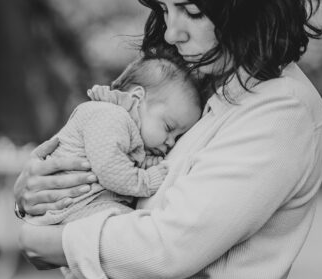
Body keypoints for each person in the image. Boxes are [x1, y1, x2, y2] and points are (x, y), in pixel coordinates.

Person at [15, 0, 322, 279]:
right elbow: (118, 167)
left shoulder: (281, 110)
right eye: (164, 10)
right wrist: (43, 189)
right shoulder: (191, 85)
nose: (171, 31)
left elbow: (169, 247)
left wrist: (52, 244)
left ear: (244, 1)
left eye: (191, 11)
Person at [24, 56, 202, 226]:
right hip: (70, 206)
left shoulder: (128, 131)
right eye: (169, 128)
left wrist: (147, 163)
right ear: (137, 99)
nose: (171, 142)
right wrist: (148, 179)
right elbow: (110, 169)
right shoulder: (110, 116)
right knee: (138, 226)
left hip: (82, 204)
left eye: (178, 137)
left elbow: (121, 159)